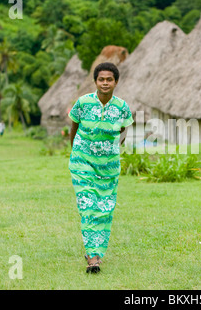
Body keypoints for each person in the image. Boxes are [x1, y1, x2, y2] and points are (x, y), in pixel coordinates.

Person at [68, 62, 134, 274]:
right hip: (82, 162)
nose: (105, 83)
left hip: (109, 166)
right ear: (95, 81)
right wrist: (76, 152)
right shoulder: (83, 103)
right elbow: (74, 127)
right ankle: (93, 257)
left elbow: (123, 129)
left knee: (104, 209)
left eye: (109, 79)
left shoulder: (122, 107)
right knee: (88, 206)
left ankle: (98, 251)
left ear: (116, 82)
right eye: (101, 79)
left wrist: (112, 147)